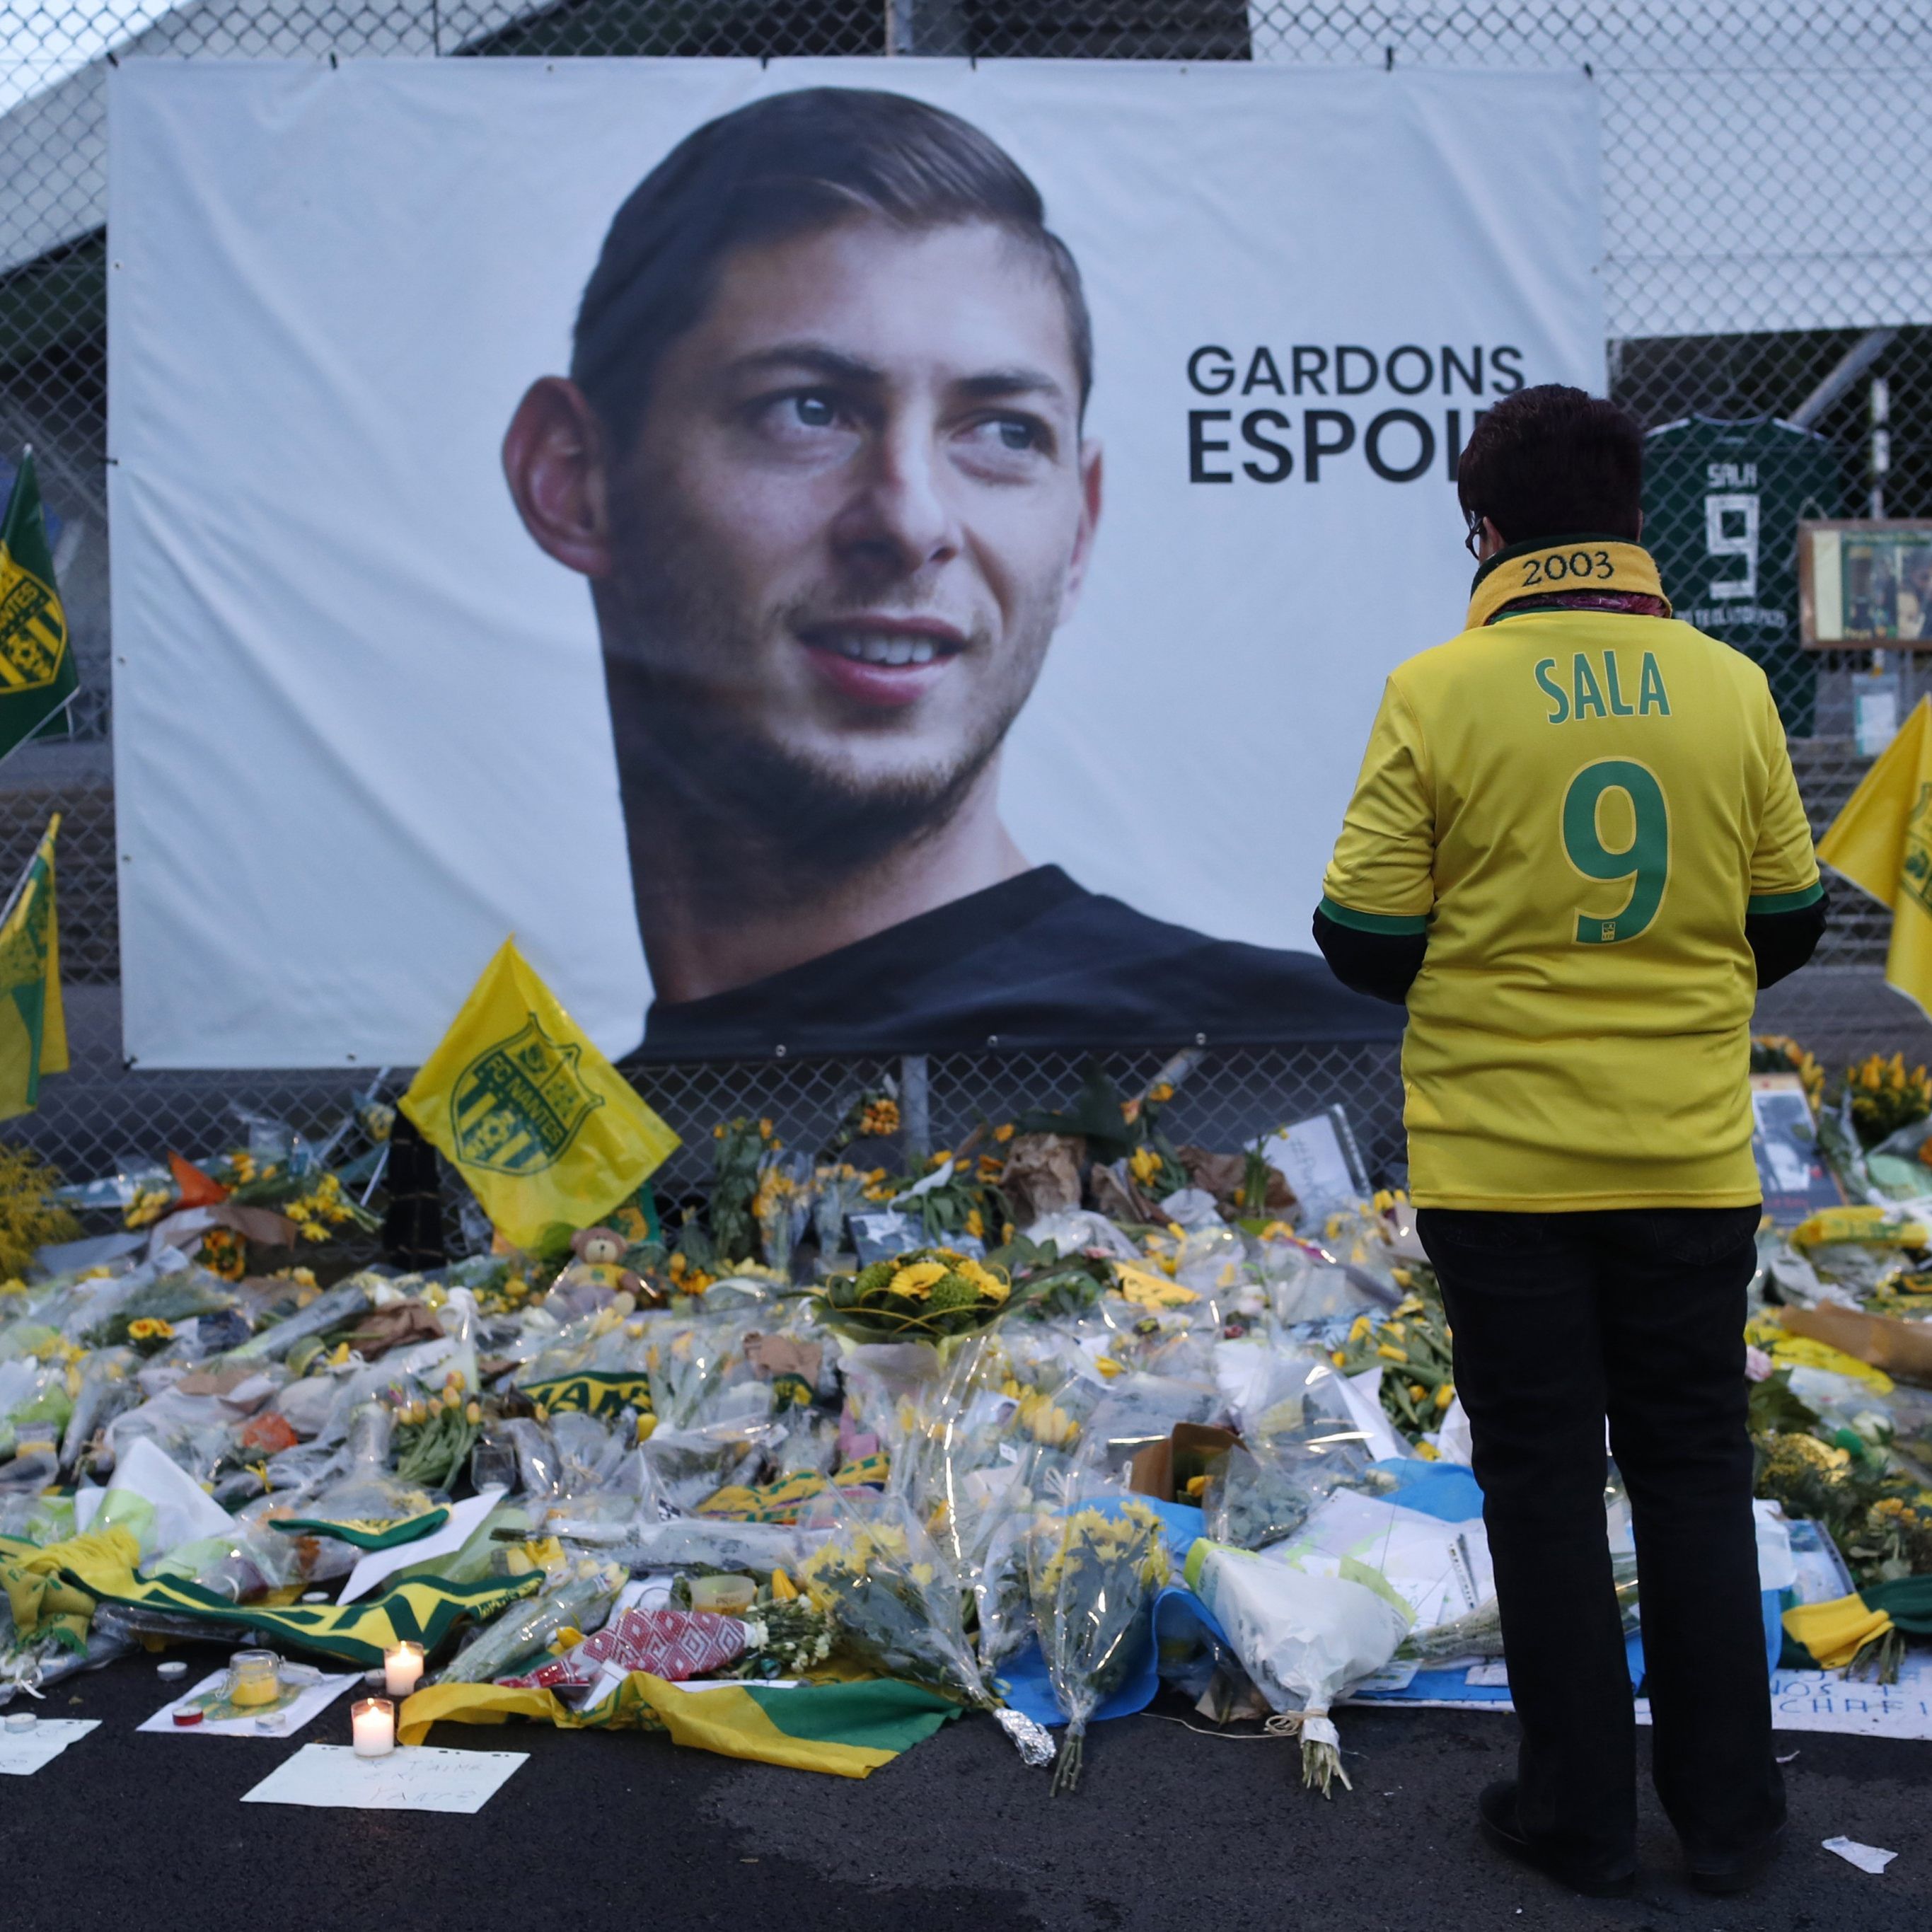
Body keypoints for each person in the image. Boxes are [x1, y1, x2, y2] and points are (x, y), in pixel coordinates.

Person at [503, 86, 1396, 1059]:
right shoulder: (514, 1143)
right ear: (572, 481)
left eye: (1005, 433)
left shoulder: (1326, 1076)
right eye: (807, 410)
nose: (912, 520)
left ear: (1081, 530)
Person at [1314, 386, 1826, 1897]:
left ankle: (1577, 1820)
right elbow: (1790, 918)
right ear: (1630, 520)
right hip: (1685, 1157)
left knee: (1540, 1483)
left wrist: (1493, 957)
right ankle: (1732, 1822)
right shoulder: (1728, 686)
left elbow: (1361, 934)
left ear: (1483, 529)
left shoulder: (1437, 690)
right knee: (1694, 1469)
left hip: (1502, 1166)